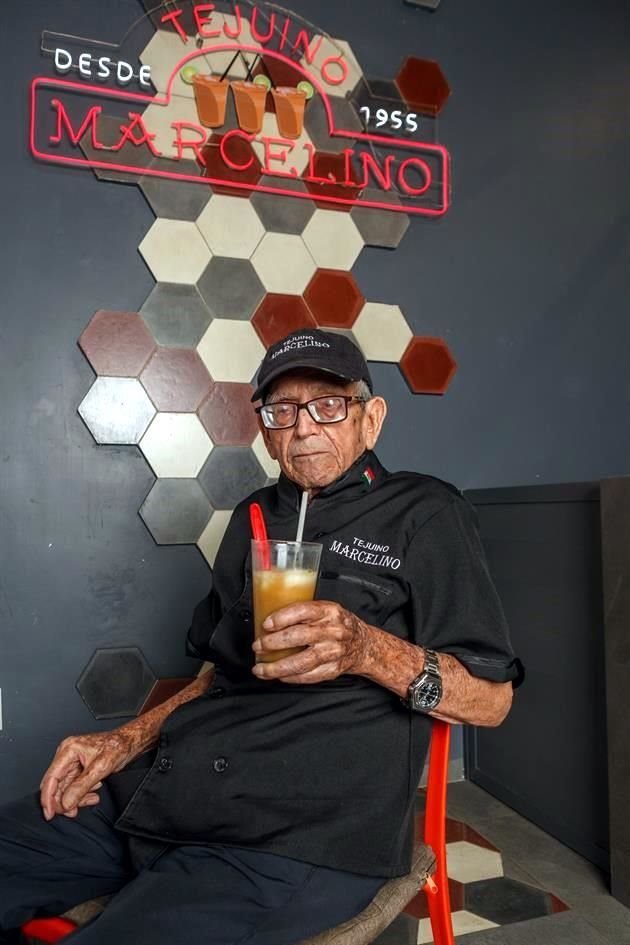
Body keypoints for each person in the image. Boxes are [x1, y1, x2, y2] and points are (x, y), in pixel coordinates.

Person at [0, 329, 522, 945]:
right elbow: (216, 676)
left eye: (328, 405)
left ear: (371, 417)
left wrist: (368, 649)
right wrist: (124, 739)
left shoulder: (427, 512)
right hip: (167, 789)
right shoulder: (253, 516)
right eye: (281, 411)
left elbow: (492, 701)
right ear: (267, 429)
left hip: (296, 836)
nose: (303, 428)